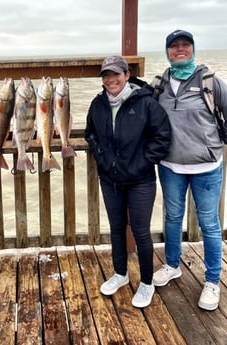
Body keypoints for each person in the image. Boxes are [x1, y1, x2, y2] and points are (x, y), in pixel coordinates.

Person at [85, 56, 171, 308]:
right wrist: (101, 157)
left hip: (140, 180)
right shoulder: (97, 104)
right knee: (116, 227)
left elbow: (163, 136)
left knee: (141, 231)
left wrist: (144, 161)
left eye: (115, 74)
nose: (110, 80)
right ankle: (120, 274)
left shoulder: (145, 102)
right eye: (106, 75)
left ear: (126, 74)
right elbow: (90, 133)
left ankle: (146, 282)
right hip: (110, 179)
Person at [152, 30, 227, 311]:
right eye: (174, 46)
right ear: (167, 51)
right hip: (170, 165)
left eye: (185, 45)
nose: (179, 50)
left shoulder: (210, 81)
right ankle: (172, 265)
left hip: (207, 166)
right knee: (172, 217)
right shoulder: (159, 83)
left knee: (209, 223)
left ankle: (212, 280)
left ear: (193, 49)